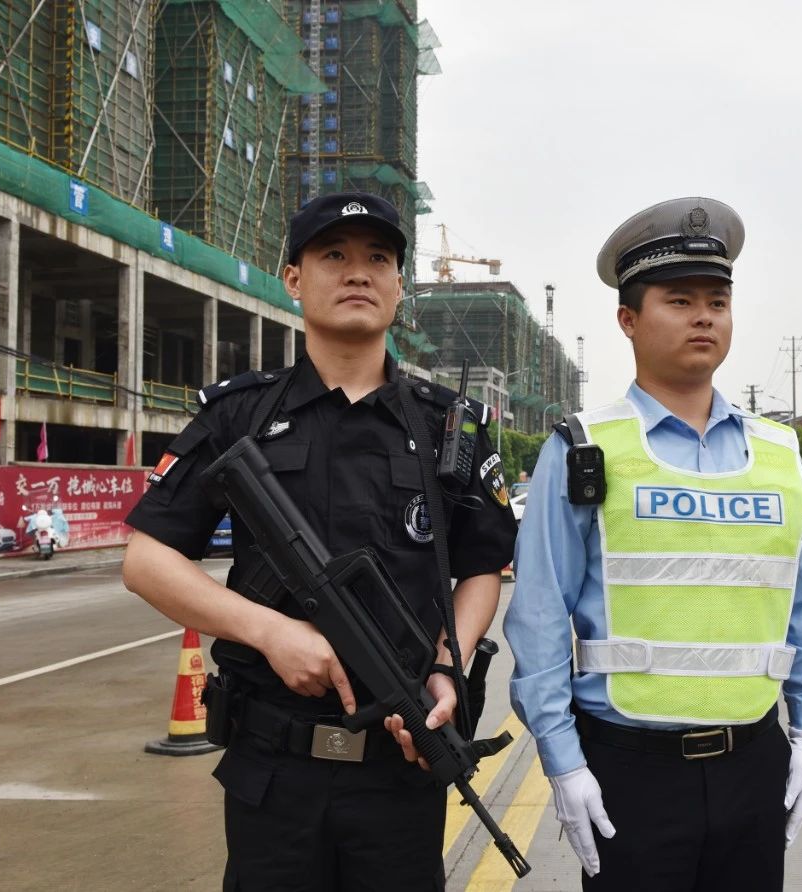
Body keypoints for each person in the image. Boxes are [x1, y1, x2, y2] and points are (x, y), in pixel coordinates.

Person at [122, 191, 516, 891]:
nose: (358, 272)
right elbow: (146, 560)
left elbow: (484, 566)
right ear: (295, 279)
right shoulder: (241, 412)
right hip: (273, 774)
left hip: (402, 769)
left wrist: (445, 667)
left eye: (378, 259)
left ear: (400, 289)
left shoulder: (449, 425)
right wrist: (271, 632)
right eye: (334, 255)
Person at [504, 197, 802, 890]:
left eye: (718, 299)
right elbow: (538, 619)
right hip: (631, 770)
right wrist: (562, 761)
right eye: (679, 299)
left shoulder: (781, 454)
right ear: (628, 319)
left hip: (754, 763)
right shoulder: (583, 448)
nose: (704, 316)